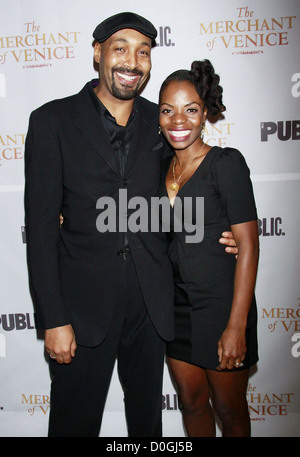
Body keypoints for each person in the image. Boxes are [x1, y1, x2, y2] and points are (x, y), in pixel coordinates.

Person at [24, 12, 237, 437]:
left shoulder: (161, 120)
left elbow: (186, 182)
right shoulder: (52, 121)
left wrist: (219, 232)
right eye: (120, 48)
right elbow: (41, 228)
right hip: (81, 312)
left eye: (143, 52)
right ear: (98, 53)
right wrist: (53, 318)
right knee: (72, 424)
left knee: (148, 428)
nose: (132, 61)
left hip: (150, 306)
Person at [158, 60, 259, 437]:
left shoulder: (225, 164)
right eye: (168, 110)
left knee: (230, 412)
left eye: (191, 109)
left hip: (222, 308)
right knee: (191, 404)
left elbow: (248, 246)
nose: (178, 120)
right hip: (176, 311)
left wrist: (236, 327)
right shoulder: (157, 170)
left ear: (204, 115)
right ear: (159, 116)